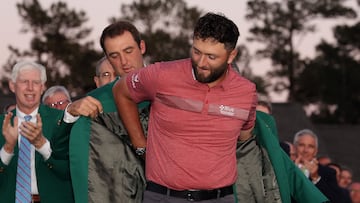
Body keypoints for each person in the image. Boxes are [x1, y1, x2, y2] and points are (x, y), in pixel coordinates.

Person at [113, 12, 257, 203]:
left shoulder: (247, 93)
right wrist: (140, 145)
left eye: (212, 57)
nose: (201, 63)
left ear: (231, 56)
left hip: (220, 198)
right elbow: (120, 91)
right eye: (197, 52)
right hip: (162, 197)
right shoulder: (161, 75)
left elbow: (244, 139)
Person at [69, 20, 149, 203]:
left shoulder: (169, 88)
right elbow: (62, 148)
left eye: (128, 51)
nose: (124, 62)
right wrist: (69, 111)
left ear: (142, 46)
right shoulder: (97, 101)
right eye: (114, 55)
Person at [0, 61, 102, 203]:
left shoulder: (63, 121)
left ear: (43, 87)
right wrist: (8, 148)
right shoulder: (2, 124)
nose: (30, 88)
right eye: (24, 82)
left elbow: (73, 170)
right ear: (12, 86)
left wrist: (42, 145)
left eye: (36, 82)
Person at [293, 129, 351, 203]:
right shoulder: (285, 169)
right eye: (301, 145)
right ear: (294, 147)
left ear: (316, 151)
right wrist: (293, 172)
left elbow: (334, 200)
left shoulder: (329, 173)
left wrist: (316, 177)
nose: (305, 150)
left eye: (310, 146)